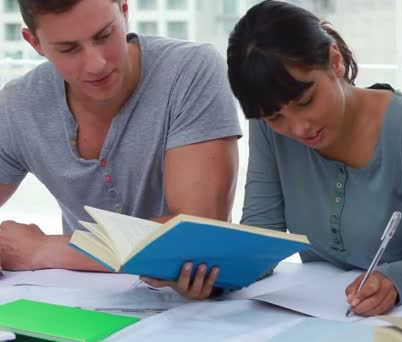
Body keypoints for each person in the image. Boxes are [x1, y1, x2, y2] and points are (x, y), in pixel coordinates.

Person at [227, 0, 402, 316]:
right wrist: (208, 272)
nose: (298, 128)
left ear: (334, 61)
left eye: (305, 101)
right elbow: (261, 236)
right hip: (316, 318)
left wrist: (395, 280)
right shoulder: (269, 127)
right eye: (276, 116)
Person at [0, 0, 242, 300]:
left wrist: (42, 249)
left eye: (104, 36)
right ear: (34, 43)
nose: (96, 63)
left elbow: (197, 235)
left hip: (191, 311)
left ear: (125, 11)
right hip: (82, 307)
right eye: (69, 49)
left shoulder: (191, 71)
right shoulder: (19, 104)